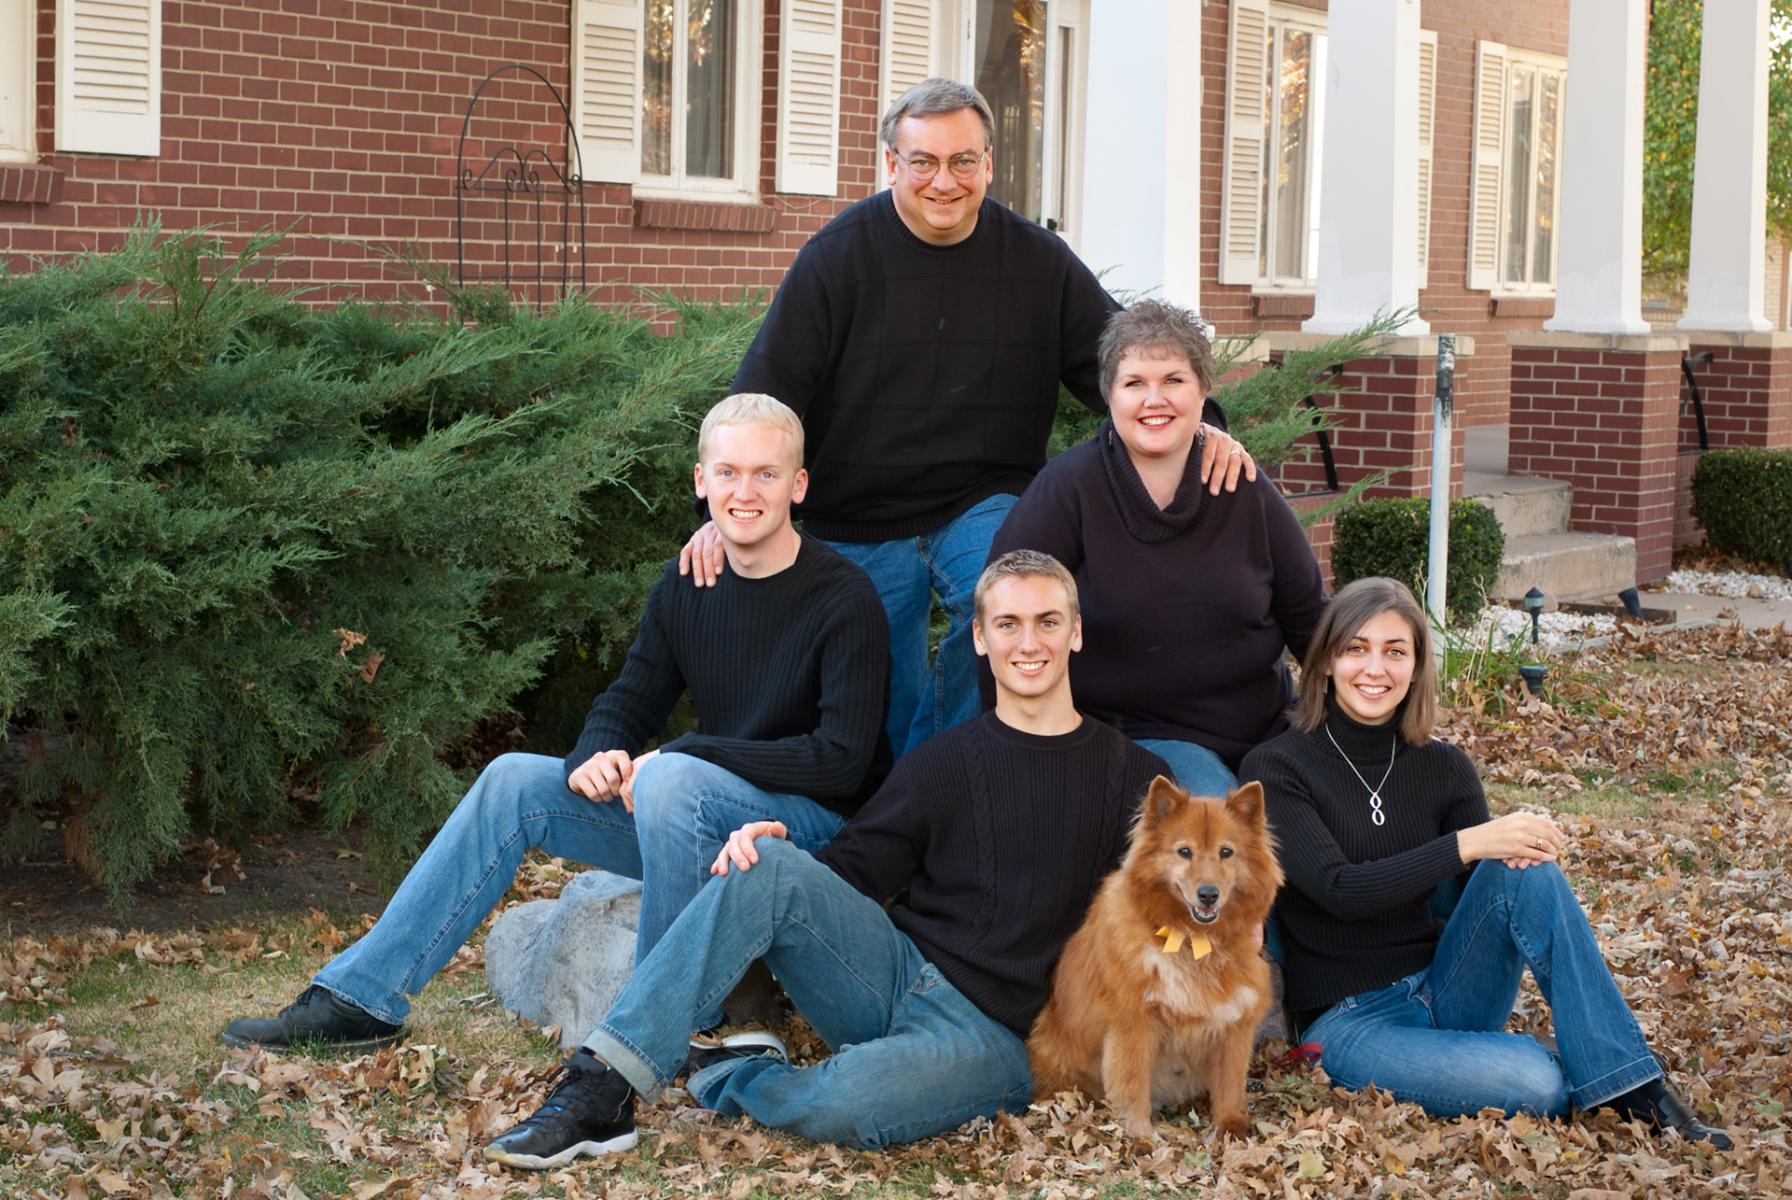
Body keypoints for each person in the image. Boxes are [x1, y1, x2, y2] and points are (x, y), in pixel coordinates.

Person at [221, 394, 891, 1052]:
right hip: (691, 816)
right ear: (700, 481)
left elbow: (842, 760)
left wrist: (682, 756)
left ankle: (652, 1035)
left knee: (675, 778)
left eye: (766, 474)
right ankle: (361, 998)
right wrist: (597, 752)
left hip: (801, 831)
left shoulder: (844, 598)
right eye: (728, 472)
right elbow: (631, 698)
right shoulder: (689, 582)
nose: (745, 492)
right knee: (513, 778)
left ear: (798, 486)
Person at [480, 550, 1172, 1168]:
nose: (1030, 642)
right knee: (768, 862)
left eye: (1048, 622)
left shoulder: (1134, 778)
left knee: (852, 1104)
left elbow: (1163, 925)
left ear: (1075, 633)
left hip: (996, 1031)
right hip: (895, 973)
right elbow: (854, 867)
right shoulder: (945, 762)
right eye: (1010, 624)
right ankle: (602, 1086)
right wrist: (779, 854)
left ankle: (730, 1076)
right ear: (981, 638)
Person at [680, 78, 1257, 759]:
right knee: (870, 678)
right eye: (922, 162)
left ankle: (937, 779)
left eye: (963, 162)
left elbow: (1125, 357)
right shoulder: (837, 259)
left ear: (988, 164)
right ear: (892, 164)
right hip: (856, 514)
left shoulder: (1037, 262)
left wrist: (1204, 425)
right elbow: (765, 396)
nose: (943, 181)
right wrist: (719, 514)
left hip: (983, 499)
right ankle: (888, 811)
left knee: (1007, 602)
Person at [1240, 577, 1735, 1149]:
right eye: (1357, 648)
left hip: (1449, 985)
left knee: (1523, 868)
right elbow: (1340, 889)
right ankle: (1580, 1055)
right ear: (1326, 661)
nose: (1374, 669)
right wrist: (1471, 842)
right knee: (1537, 1087)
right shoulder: (1278, 767)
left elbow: (1501, 900)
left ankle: (1636, 1088)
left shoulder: (1444, 766)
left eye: (1395, 652)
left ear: (1417, 667)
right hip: (1352, 1022)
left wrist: (1521, 845)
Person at [988, 299, 1327, 797]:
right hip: (1142, 740)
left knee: (1350, 818)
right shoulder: (1069, 490)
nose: (1155, 399)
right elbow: (1004, 615)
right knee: (1211, 823)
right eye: (1134, 383)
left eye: (1173, 380)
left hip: (1265, 732)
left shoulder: (1243, 486)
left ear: (1203, 391)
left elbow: (1311, 623)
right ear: (1108, 394)